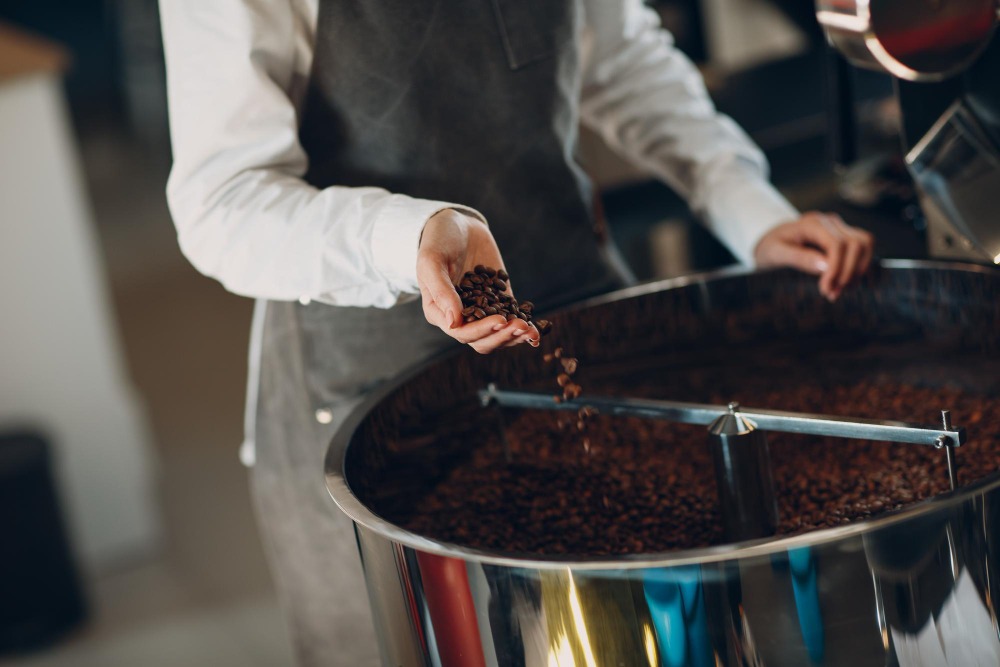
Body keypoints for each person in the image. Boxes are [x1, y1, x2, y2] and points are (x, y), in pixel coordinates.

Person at [159, 0, 874, 664]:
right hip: (361, 376)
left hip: (571, 316)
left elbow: (622, 58)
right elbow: (222, 201)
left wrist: (750, 209)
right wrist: (409, 235)